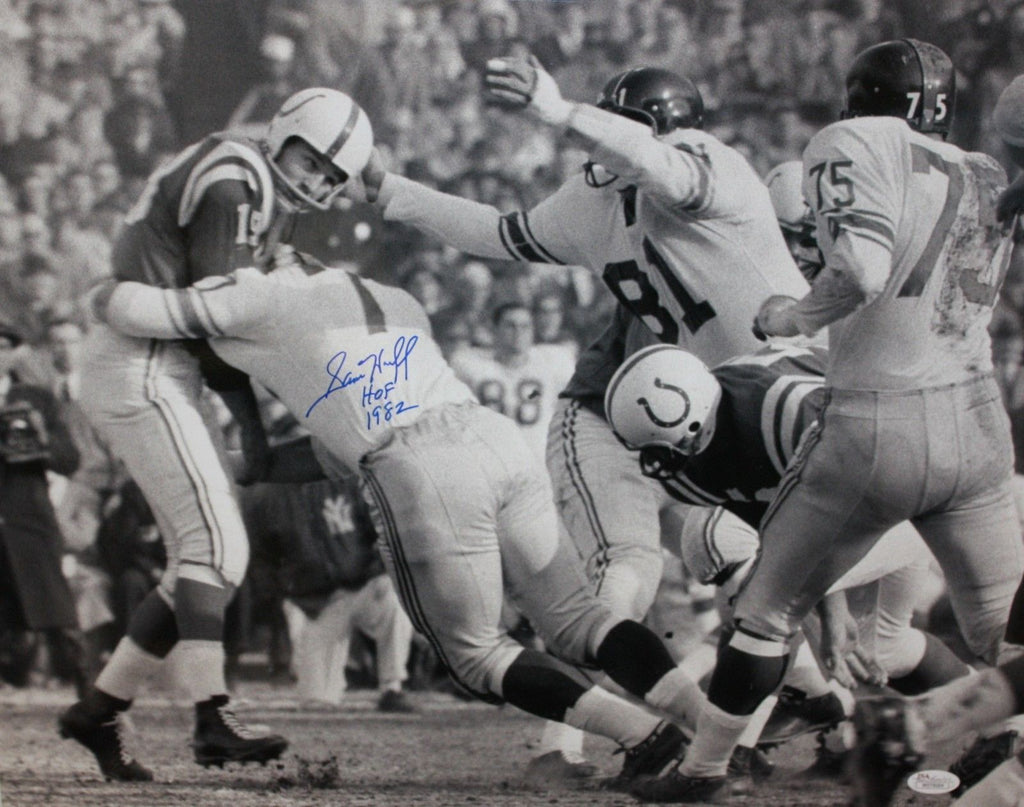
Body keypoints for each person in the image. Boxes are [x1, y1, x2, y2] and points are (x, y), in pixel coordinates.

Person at [86, 252, 763, 792]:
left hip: (422, 468)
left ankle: (642, 735)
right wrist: (247, 462)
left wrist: (101, 287)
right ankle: (709, 729)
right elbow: (345, 436)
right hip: (493, 439)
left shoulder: (259, 292)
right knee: (580, 620)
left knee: (476, 654)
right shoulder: (389, 297)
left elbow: (141, 309)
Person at [361, 58, 813, 782]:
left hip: (727, 416)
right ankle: (568, 744)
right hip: (618, 414)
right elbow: (501, 232)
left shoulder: (712, 170)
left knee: (765, 558)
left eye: (617, 128)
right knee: (628, 573)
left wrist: (559, 109)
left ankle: (799, 714)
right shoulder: (601, 198)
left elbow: (659, 167)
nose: (599, 144)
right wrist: (395, 192)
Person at [630, 39, 1024, 804]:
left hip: (880, 416)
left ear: (859, 98)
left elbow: (862, 269)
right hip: (979, 423)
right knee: (1000, 625)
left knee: (765, 608)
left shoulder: (856, 139)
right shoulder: (984, 169)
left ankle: (705, 769)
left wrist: (793, 314)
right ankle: (1002, 748)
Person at [58, 87, 375, 782]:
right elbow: (215, 321)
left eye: (331, 174)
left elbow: (218, 321)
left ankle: (100, 709)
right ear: (283, 134)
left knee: (202, 558)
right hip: (142, 358)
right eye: (311, 160)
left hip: (161, 358)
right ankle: (211, 714)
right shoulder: (236, 182)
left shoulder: (258, 182)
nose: (317, 180)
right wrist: (253, 424)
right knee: (216, 547)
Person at [241, 471, 416, 712]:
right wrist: (287, 593)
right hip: (317, 602)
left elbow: (382, 530)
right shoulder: (267, 497)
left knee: (394, 596)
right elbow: (259, 559)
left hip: (364, 585)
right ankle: (326, 685)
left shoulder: (345, 480)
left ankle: (392, 687)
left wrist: (380, 569)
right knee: (316, 701)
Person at [0, 320, 89, 696]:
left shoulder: (36, 399)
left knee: (55, 608)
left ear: (14, 353)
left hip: (28, 517)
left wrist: (40, 438)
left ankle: (89, 693)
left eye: (1, 348)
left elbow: (70, 460)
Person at [450, 301, 575, 462]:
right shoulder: (469, 364)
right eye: (510, 326)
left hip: (536, 460)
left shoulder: (553, 361)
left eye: (525, 326)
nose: (518, 333)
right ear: (494, 329)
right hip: (489, 459)